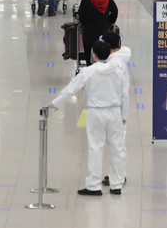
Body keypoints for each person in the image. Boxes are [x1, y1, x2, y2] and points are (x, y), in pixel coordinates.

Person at [47, 39, 127, 196]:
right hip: (115, 112)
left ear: (94, 55)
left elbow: (71, 89)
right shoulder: (118, 71)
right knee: (117, 148)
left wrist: (55, 103)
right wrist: (124, 114)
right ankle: (116, 184)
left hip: (95, 112)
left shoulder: (88, 72)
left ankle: (94, 185)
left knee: (96, 147)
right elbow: (124, 94)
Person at [100, 30, 131, 188]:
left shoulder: (115, 63)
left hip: (117, 110)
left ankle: (118, 176)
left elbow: (123, 92)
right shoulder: (120, 57)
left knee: (117, 145)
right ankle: (117, 174)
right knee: (117, 144)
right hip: (119, 109)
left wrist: (124, 115)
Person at [78, 0, 118, 66]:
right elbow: (115, 11)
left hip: (89, 33)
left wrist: (84, 24)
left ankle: (89, 66)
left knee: (88, 54)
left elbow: (81, 14)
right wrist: (110, 21)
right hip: (104, 33)